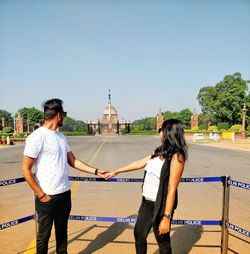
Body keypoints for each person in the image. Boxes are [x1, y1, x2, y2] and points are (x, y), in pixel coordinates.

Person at [22, 98, 107, 254]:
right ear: (59, 115)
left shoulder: (60, 137)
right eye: (64, 114)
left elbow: (72, 161)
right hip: (46, 196)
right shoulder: (37, 136)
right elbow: (25, 170)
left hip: (64, 193)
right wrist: (41, 195)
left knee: (62, 234)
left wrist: (96, 171)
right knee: (43, 237)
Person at [106, 119, 188, 254]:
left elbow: (172, 189)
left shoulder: (177, 157)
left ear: (169, 133)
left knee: (162, 240)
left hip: (161, 206)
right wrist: (117, 170)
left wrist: (166, 218)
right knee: (139, 234)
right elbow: (140, 162)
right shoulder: (159, 151)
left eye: (161, 130)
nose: (159, 132)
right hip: (147, 202)